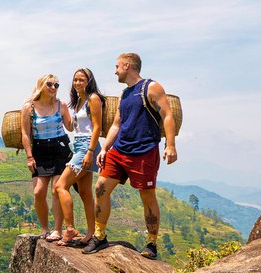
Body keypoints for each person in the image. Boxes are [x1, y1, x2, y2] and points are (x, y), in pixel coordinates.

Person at [83, 53, 178, 258]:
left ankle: (151, 244)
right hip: (119, 149)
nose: (115, 70)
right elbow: (117, 124)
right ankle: (99, 236)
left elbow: (167, 115)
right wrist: (106, 148)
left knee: (147, 196)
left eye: (117, 66)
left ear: (127, 66)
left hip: (144, 151)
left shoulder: (151, 87)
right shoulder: (124, 94)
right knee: (100, 188)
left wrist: (170, 145)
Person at [53, 68, 104, 246]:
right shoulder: (78, 102)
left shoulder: (93, 99)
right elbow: (71, 127)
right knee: (84, 193)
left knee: (60, 186)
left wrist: (90, 152)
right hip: (79, 145)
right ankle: (91, 233)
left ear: (89, 81)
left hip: (87, 146)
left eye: (81, 80)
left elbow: (97, 127)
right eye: (75, 80)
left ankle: (70, 229)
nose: (77, 83)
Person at [20, 74, 73, 241]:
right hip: (40, 151)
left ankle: (57, 230)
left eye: (56, 85)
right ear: (41, 85)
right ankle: (45, 229)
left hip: (60, 148)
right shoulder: (29, 107)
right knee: (38, 192)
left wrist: (85, 115)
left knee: (56, 190)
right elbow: (25, 133)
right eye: (49, 84)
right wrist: (29, 156)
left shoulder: (61, 105)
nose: (53, 88)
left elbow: (70, 127)